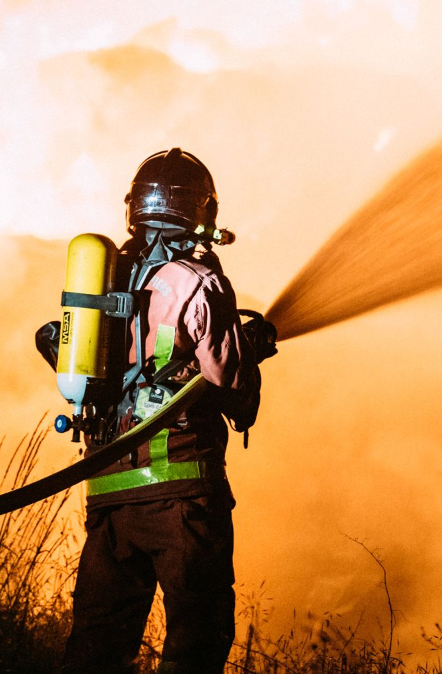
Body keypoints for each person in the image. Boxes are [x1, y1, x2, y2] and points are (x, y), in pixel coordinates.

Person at [42, 148, 278, 674]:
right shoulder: (200, 281)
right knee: (198, 640)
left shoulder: (106, 277)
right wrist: (252, 350)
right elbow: (231, 386)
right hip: (181, 495)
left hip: (109, 499)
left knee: (96, 649)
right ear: (202, 210)